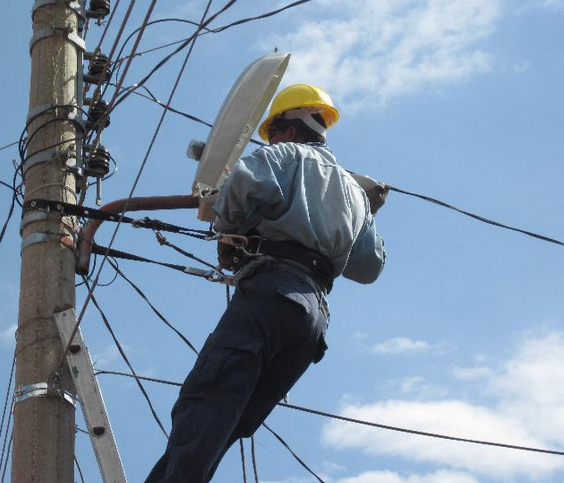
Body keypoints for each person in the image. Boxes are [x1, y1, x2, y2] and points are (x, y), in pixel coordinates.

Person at [144, 83, 387, 483]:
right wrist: (362, 214)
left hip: (272, 294)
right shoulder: (355, 193)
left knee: (208, 401)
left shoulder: (285, 155)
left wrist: (226, 223)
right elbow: (369, 267)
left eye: (272, 133)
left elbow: (240, 193)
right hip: (312, 322)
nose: (270, 141)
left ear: (289, 130)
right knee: (228, 421)